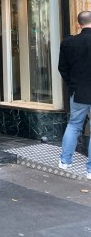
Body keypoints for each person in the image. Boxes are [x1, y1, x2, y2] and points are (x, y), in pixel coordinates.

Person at [58, 10, 91, 178]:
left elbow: (62, 68)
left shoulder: (68, 42)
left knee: (74, 125)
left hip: (78, 92)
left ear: (79, 24)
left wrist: (72, 85)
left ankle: (65, 161)